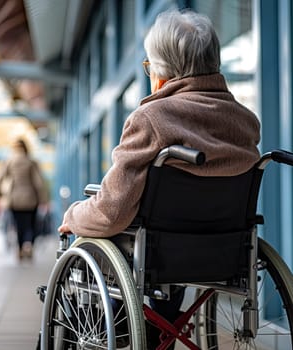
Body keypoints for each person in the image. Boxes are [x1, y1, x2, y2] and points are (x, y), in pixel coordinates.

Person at [59, 8, 260, 349]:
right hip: (224, 250)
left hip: (157, 254)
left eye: (150, 66)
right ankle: (163, 324)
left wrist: (72, 215)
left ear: (164, 71)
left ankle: (116, 330)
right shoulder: (245, 121)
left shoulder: (151, 118)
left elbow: (111, 212)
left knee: (85, 240)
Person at [0, 138, 48, 261]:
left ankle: (19, 249)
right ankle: (28, 246)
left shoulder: (9, 161)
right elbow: (39, 182)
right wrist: (44, 199)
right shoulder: (31, 162)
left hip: (14, 199)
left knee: (18, 225)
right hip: (31, 199)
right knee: (30, 224)